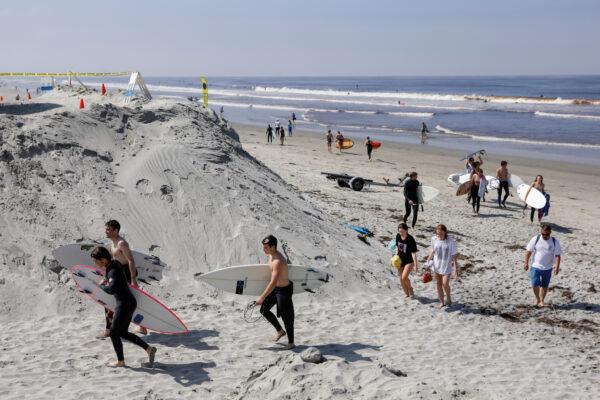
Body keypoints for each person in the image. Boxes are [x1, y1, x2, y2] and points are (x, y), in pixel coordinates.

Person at [91, 246, 157, 368]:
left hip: (124, 304)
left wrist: (101, 285)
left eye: (96, 260)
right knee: (122, 333)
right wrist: (107, 280)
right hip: (127, 302)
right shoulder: (114, 264)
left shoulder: (113, 270)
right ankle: (149, 349)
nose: (94, 263)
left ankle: (120, 361)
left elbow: (111, 290)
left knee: (113, 333)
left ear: (103, 260)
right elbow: (115, 282)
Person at [99, 220, 147, 337]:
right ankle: (141, 327)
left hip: (126, 274)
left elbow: (130, 261)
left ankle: (109, 329)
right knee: (121, 301)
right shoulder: (112, 243)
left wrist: (133, 280)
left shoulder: (121, 244)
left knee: (120, 300)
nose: (106, 231)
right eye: (106, 229)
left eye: (108, 229)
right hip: (118, 273)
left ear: (116, 231)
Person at [257, 235, 295, 350]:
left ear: (273, 247)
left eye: (266, 248)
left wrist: (261, 297)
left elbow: (273, 282)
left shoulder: (277, 261)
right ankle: (280, 331)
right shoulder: (271, 255)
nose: (264, 250)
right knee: (264, 309)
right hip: (276, 289)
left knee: (286, 317)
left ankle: (291, 343)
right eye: (263, 247)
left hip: (284, 290)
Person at [524, 224, 561, 307]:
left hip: (548, 268)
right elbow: (528, 251)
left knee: (545, 286)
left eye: (547, 234)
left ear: (550, 233)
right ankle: (537, 299)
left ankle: (542, 301)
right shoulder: (536, 239)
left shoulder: (555, 241)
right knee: (535, 284)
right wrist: (526, 263)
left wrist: (557, 267)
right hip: (535, 266)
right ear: (541, 232)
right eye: (543, 234)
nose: (544, 236)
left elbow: (558, 255)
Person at [425, 224, 458, 307]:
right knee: (438, 284)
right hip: (437, 265)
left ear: (445, 232)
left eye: (440, 234)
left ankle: (449, 297)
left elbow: (454, 256)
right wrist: (427, 262)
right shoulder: (434, 239)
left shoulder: (451, 241)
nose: (439, 235)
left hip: (447, 266)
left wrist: (455, 269)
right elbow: (432, 251)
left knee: (445, 283)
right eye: (437, 234)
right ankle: (442, 302)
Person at [395, 223, 418, 298]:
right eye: (399, 231)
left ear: (406, 230)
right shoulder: (398, 236)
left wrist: (415, 265)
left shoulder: (410, 239)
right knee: (401, 279)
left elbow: (414, 253)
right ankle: (407, 294)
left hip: (409, 261)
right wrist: (395, 257)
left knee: (404, 277)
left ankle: (410, 289)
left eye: (402, 231)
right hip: (400, 261)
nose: (401, 233)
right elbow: (397, 248)